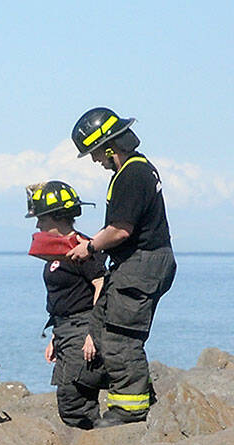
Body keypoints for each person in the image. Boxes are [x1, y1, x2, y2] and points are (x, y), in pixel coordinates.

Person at [66, 108, 175, 426]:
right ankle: (125, 395)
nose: (94, 160)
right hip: (135, 261)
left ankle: (131, 408)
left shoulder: (132, 173)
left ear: (110, 147)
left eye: (95, 152)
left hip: (143, 261)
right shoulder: (134, 170)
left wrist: (89, 246)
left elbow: (121, 230)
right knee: (101, 325)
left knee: (121, 336)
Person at [26, 181, 108, 428]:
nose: (38, 225)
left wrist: (93, 334)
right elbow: (65, 296)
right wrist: (55, 337)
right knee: (66, 396)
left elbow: (101, 285)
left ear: (58, 217)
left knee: (76, 396)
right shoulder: (55, 251)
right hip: (63, 329)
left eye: (42, 218)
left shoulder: (81, 247)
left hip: (83, 327)